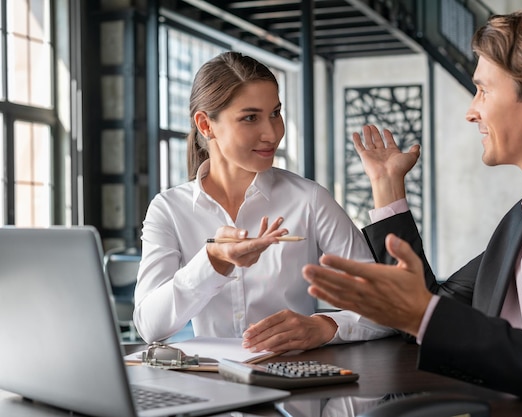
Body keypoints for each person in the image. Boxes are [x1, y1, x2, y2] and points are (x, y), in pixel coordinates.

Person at [302, 6, 522, 417]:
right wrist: (387, 185)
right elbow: (433, 306)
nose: (471, 110)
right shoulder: (521, 222)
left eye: (484, 90)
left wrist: (425, 315)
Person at [133, 51, 394, 351]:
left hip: (295, 388)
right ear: (206, 125)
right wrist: (213, 261)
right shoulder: (169, 209)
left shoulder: (309, 200)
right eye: (250, 118)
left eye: (275, 113)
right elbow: (149, 326)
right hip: (211, 388)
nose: (272, 133)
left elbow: (386, 308)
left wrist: (323, 326)